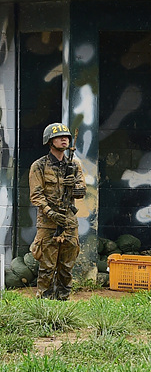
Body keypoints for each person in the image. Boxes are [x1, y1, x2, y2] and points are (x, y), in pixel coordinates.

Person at [28, 122, 86, 300]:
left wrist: (74, 186)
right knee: (47, 265)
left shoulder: (74, 165)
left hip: (69, 221)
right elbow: (36, 195)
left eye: (66, 137)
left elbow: (82, 191)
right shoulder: (39, 166)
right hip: (48, 222)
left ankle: (63, 299)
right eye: (59, 137)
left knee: (67, 265)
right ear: (49, 141)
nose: (64, 139)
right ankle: (45, 301)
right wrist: (50, 213)